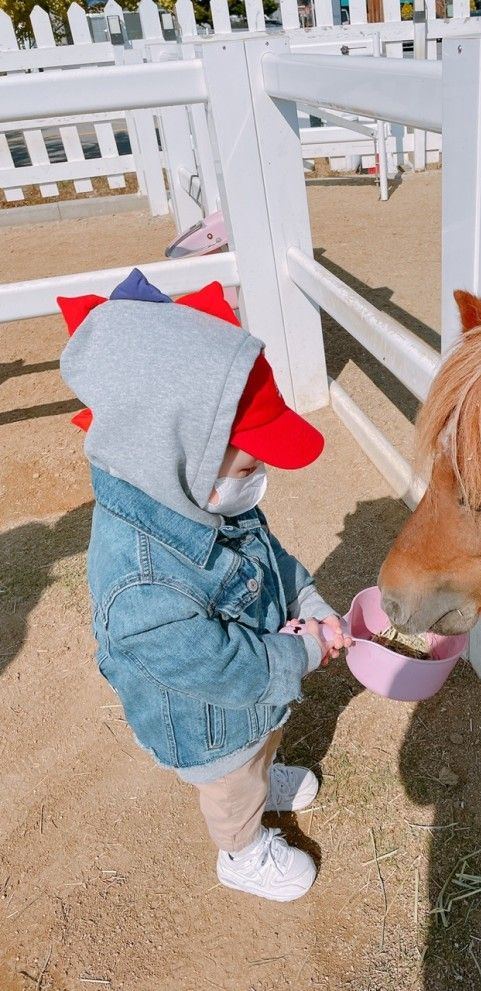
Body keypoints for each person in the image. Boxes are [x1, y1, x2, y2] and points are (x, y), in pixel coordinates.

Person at [58, 269, 351, 902]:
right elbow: (216, 665)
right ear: (172, 449)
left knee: (261, 746)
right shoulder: (142, 582)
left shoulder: (200, 496)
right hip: (210, 720)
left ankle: (261, 774)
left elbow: (271, 560)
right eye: (249, 464)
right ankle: (240, 852)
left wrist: (312, 604)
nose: (259, 477)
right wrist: (298, 653)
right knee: (230, 783)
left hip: (254, 695)